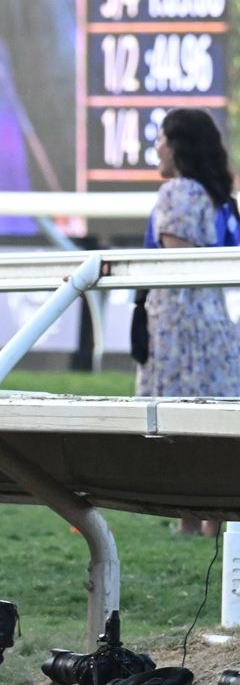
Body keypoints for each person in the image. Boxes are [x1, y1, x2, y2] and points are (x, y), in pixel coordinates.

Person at [136, 107, 240, 536]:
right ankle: (216, 526)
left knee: (179, 425)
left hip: (181, 327)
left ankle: (189, 523)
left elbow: (177, 268)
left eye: (161, 138)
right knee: (214, 431)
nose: (156, 146)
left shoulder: (177, 193)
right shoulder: (215, 195)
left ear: (178, 146)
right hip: (216, 326)